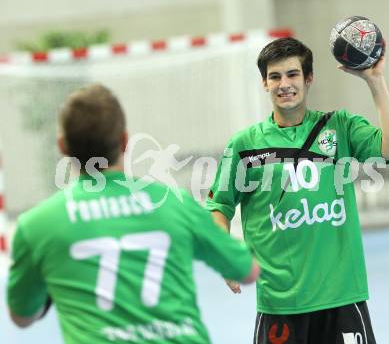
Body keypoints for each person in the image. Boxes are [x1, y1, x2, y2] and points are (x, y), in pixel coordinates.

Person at [7, 84, 260, 344]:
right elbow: (248, 271)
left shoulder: (36, 226)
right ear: (125, 140)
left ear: (63, 146)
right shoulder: (177, 204)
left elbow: (21, 317)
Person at [206, 37, 389, 344]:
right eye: (275, 77)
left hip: (342, 297)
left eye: (292, 74)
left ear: (308, 78)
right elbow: (219, 207)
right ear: (264, 83)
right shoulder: (245, 145)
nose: (284, 84)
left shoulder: (339, 127)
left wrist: (375, 81)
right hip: (281, 303)